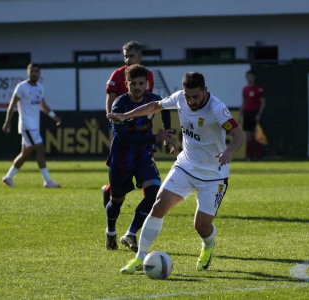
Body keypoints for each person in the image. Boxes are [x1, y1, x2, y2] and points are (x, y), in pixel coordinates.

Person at [107, 72, 245, 274]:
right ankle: (140, 257)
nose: (191, 101)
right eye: (188, 96)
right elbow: (156, 106)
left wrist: (229, 151)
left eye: (196, 97)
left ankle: (208, 245)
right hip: (186, 167)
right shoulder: (180, 97)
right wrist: (126, 115)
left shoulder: (217, 109)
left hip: (213, 175)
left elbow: (239, 135)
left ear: (205, 91)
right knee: (159, 205)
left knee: (201, 226)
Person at [105, 64, 173, 252]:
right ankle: (111, 231)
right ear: (126, 84)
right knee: (116, 202)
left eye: (141, 83)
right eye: (133, 83)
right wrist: (155, 137)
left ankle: (130, 234)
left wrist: (166, 132)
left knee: (153, 194)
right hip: (122, 159)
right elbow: (125, 138)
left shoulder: (153, 100)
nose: (137, 87)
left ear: (147, 84)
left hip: (143, 156)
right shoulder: (119, 105)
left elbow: (166, 108)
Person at [102, 41, 155, 207]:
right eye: (126, 56)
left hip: (143, 122)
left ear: (140, 57)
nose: (128, 59)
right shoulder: (117, 74)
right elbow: (110, 97)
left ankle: (149, 199)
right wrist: (111, 117)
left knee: (145, 157)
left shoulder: (148, 75)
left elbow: (150, 101)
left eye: (131, 56)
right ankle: (111, 190)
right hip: (123, 124)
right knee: (124, 160)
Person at [1, 63, 61, 188]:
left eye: (36, 71)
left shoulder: (40, 87)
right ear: (27, 72)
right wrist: (7, 122)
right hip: (27, 125)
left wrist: (54, 116)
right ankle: (47, 181)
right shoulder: (21, 87)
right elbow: (12, 105)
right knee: (40, 149)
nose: (34, 73)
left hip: (34, 126)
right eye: (31, 71)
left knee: (26, 154)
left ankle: (8, 177)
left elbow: (43, 106)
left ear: (39, 73)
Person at [238, 70, 266, 161]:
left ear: (254, 78)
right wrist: (240, 114)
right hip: (247, 113)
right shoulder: (245, 89)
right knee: (248, 136)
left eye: (251, 76)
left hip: (255, 113)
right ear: (246, 78)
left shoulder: (259, 89)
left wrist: (259, 114)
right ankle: (249, 157)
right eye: (248, 76)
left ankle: (259, 157)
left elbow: (263, 102)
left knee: (257, 136)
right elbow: (244, 102)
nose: (249, 78)